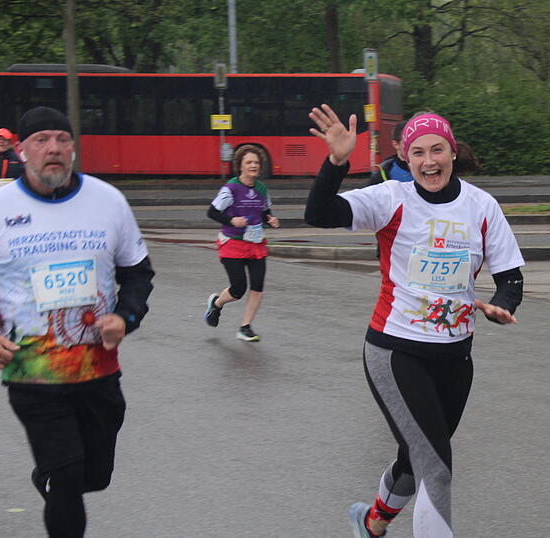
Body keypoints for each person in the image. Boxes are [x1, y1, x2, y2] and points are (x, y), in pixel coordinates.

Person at [304, 106, 524, 538]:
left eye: (437, 150)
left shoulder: (481, 207)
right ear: (405, 158)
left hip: (456, 357)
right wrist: (335, 162)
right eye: (418, 152)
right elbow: (320, 213)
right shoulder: (391, 200)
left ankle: (371, 523)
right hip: (394, 350)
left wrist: (501, 305)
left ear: (452, 152)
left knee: (418, 456)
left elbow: (511, 278)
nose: (429, 161)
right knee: (436, 469)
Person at [0, 106, 154, 538]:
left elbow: (138, 273)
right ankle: (56, 477)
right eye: (42, 140)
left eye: (63, 140)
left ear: (73, 149)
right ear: (21, 150)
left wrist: (125, 317)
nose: (54, 149)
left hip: (98, 371)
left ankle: (50, 476)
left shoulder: (108, 200)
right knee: (67, 478)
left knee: (93, 476)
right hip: (33, 373)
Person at [203, 144, 280, 342]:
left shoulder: (262, 188)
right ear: (240, 166)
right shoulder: (231, 188)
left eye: (256, 162)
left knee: (258, 286)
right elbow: (212, 212)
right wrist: (232, 221)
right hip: (232, 243)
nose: (253, 166)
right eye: (249, 162)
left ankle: (245, 327)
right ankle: (217, 304)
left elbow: (264, 211)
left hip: (255, 244)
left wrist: (270, 219)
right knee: (238, 289)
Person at [368, 119, 412, 184]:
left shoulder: (426, 167)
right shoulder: (385, 172)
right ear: (396, 144)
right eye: (407, 142)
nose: (413, 145)